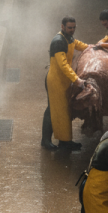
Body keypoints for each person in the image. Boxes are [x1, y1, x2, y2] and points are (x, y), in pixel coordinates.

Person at [42, 16, 88, 151]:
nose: (72, 30)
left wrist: (92, 48)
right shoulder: (58, 41)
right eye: (69, 28)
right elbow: (63, 65)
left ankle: (65, 141)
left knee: (64, 111)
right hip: (55, 81)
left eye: (74, 27)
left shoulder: (69, 37)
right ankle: (45, 141)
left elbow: (78, 45)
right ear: (62, 27)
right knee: (52, 110)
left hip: (64, 81)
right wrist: (77, 80)